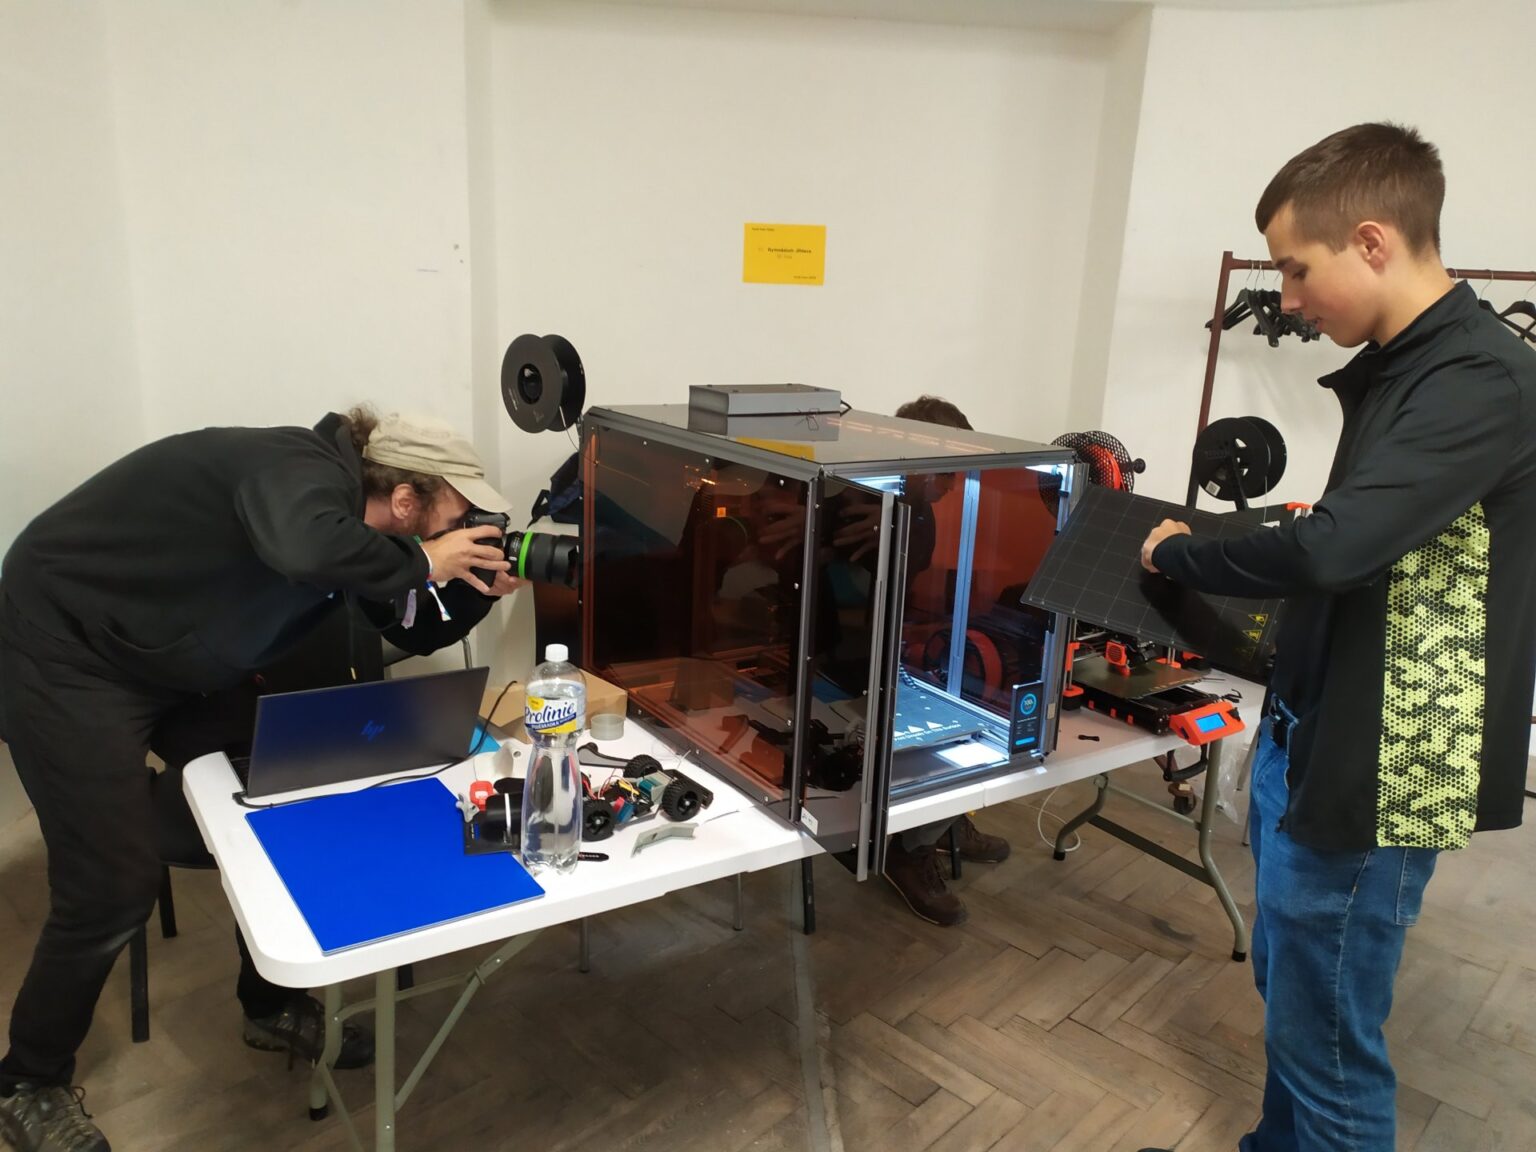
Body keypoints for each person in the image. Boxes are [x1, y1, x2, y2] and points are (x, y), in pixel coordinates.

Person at [1136, 124, 1536, 1152]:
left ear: (1371, 242)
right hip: (1317, 726)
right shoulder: (1410, 367)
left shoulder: (1482, 379)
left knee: (1329, 1048)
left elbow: (1334, 550)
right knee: (1294, 997)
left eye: (1297, 269)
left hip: (1389, 759)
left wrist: (1186, 551)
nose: (1292, 299)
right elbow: (1368, 543)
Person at [0, 408, 524, 1152]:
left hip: (168, 657)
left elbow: (407, 625)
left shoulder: (363, 536)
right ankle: (28, 1081)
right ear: (406, 499)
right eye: (457, 514)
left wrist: (473, 587)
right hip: (65, 652)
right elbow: (304, 545)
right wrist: (423, 563)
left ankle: (268, 1005)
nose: (464, 529)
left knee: (289, 778)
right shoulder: (297, 472)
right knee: (110, 884)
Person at [881, 396, 1011, 928]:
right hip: (842, 657)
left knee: (979, 726)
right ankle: (908, 849)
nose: (955, 484)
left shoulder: (923, 515)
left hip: (890, 647)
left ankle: (941, 821)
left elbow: (903, 594)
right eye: (949, 471)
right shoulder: (869, 500)